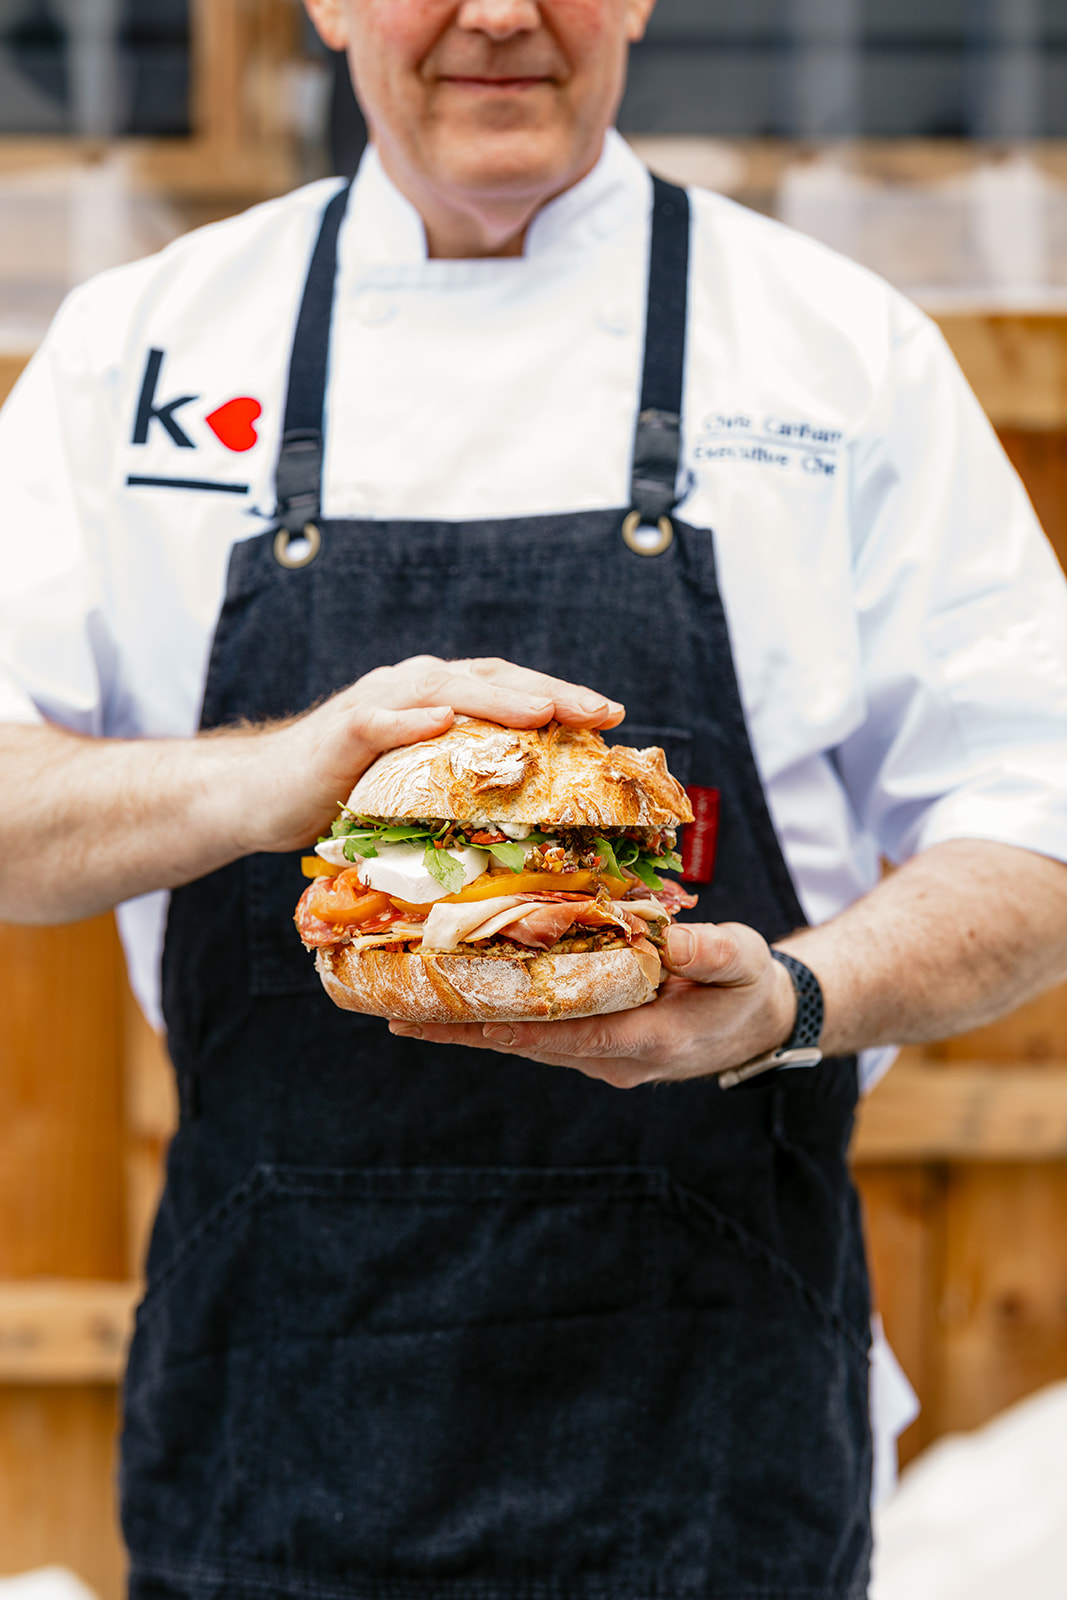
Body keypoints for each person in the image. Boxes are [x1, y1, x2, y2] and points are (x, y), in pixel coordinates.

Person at [1, 0, 1067, 1593]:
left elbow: (1039, 823)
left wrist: (792, 995)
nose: (499, 12)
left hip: (715, 1447)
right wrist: (274, 774)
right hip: (276, 1421)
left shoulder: (837, 355)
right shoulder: (142, 349)